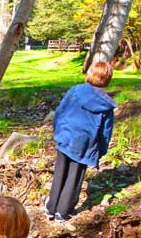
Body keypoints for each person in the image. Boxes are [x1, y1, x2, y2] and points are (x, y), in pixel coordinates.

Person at [46, 61, 117, 222]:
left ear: (90, 73)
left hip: (67, 136)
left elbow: (60, 112)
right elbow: (106, 132)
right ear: (108, 79)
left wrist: (58, 131)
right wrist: (101, 150)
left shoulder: (76, 90)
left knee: (60, 172)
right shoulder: (106, 104)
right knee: (75, 176)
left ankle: (51, 209)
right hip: (86, 143)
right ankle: (62, 212)